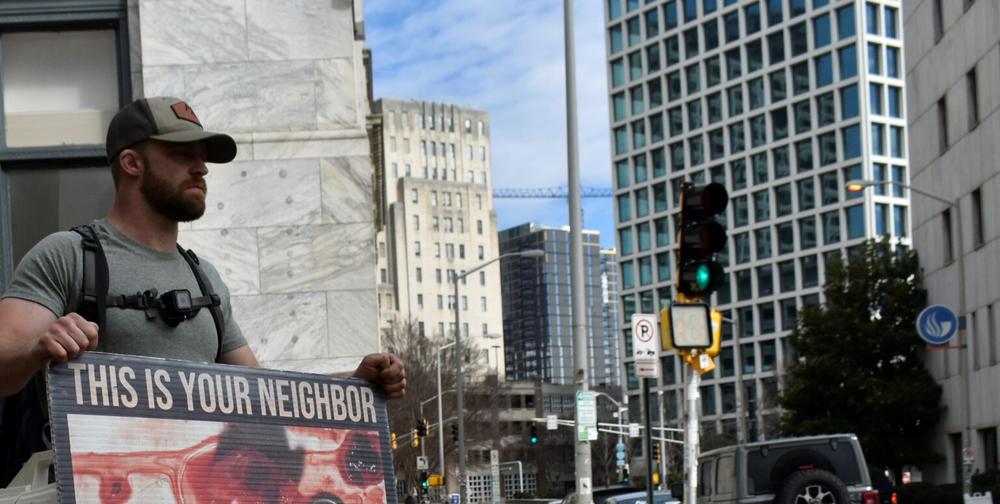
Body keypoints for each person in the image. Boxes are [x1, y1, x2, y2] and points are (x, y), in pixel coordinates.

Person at [0, 96, 405, 398]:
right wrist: (40, 346)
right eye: (181, 154)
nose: (202, 167)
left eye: (202, 156)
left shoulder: (204, 278)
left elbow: (263, 392)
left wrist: (354, 383)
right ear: (131, 163)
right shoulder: (67, 255)